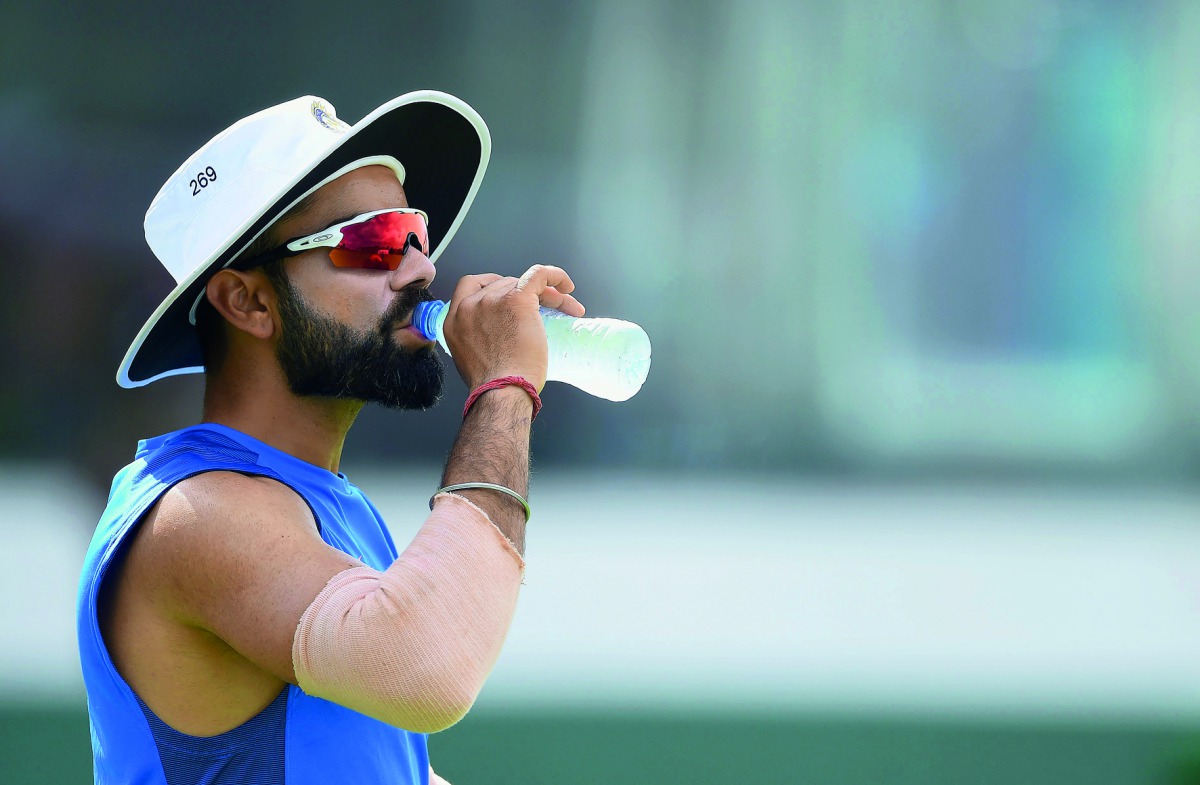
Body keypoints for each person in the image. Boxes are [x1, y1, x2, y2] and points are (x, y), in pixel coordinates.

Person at [75, 91, 583, 785]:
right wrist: (505, 385)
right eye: (373, 242)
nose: (422, 269)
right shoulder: (198, 513)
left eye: (415, 233)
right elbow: (428, 667)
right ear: (248, 301)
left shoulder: (327, 508)